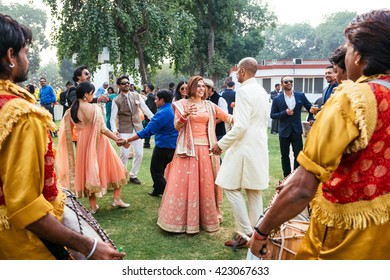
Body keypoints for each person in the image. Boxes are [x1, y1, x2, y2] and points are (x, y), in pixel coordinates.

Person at [249, 9, 390, 260]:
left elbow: (303, 188)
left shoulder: (352, 98)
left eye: (347, 49)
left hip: (346, 240)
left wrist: (261, 232)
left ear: (357, 56)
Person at [0, 13, 125, 260]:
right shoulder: (20, 114)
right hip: (25, 245)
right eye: (26, 52)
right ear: (11, 56)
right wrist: (89, 246)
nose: (27, 59)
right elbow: (26, 209)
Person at [157, 75, 233, 234]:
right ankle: (181, 219)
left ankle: (204, 218)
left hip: (206, 150)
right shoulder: (180, 104)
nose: (201, 89)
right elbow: (177, 126)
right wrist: (185, 115)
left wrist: (245, 117)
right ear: (191, 87)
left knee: (205, 184)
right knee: (185, 184)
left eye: (203, 86)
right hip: (187, 150)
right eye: (198, 86)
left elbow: (227, 118)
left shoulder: (209, 105)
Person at [210, 57, 269, 248]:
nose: (236, 74)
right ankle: (256, 234)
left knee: (228, 185)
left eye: (237, 71)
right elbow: (253, 120)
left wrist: (221, 144)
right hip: (259, 145)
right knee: (254, 191)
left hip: (244, 147)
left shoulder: (243, 91)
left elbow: (242, 126)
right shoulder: (262, 91)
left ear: (243, 71)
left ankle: (246, 233)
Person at [56, 81, 130, 214]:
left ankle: (93, 206)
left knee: (88, 173)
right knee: (116, 167)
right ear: (86, 94)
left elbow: (67, 131)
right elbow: (103, 129)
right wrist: (118, 139)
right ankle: (117, 198)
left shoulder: (71, 111)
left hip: (83, 144)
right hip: (99, 143)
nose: (93, 96)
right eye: (92, 93)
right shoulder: (95, 108)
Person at [124, 89, 178, 197]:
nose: (155, 101)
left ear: (162, 100)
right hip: (173, 146)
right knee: (161, 169)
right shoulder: (174, 109)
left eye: (157, 99)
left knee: (156, 171)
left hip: (163, 146)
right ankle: (157, 190)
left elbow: (148, 131)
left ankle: (169, 195)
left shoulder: (163, 113)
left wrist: (128, 140)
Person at [110, 75, 154, 185]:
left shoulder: (136, 96)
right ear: (119, 86)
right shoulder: (116, 100)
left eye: (128, 82)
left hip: (138, 128)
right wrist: (115, 130)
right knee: (125, 154)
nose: (127, 84)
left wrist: (154, 119)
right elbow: (112, 118)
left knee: (139, 153)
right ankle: (121, 174)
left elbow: (145, 109)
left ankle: (133, 175)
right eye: (124, 83)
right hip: (124, 130)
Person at [270, 76, 314, 178]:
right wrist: (285, 113)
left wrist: (311, 118)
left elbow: (310, 108)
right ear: (282, 85)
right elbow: (273, 115)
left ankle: (296, 176)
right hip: (284, 131)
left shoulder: (300, 95)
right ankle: (286, 177)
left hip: (296, 130)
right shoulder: (277, 99)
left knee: (298, 155)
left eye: (291, 81)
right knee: (284, 156)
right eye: (286, 81)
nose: (289, 83)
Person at [144, 83, 157, 148]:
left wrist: (144, 110)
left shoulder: (149, 96)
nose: (145, 89)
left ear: (149, 89)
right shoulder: (152, 96)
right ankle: (146, 142)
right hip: (152, 114)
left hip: (149, 115)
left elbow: (150, 106)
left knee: (148, 129)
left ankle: (146, 143)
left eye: (146, 88)